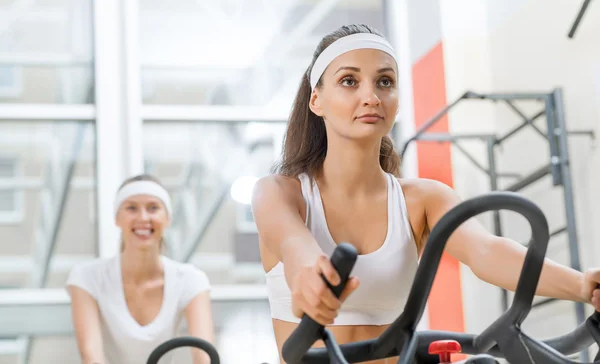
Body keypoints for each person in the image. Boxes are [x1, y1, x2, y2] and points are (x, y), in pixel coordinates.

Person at [250, 24, 600, 364]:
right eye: (349, 81)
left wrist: (585, 286)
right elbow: (295, 246)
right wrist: (310, 274)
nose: (370, 97)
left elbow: (486, 251)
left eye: (384, 82)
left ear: (397, 100)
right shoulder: (279, 192)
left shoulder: (423, 200)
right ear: (316, 100)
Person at [66, 174, 214, 364]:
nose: (143, 218)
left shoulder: (191, 280)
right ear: (117, 219)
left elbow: (204, 357)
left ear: (167, 218)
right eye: (131, 208)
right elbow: (91, 357)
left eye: (153, 208)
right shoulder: (86, 277)